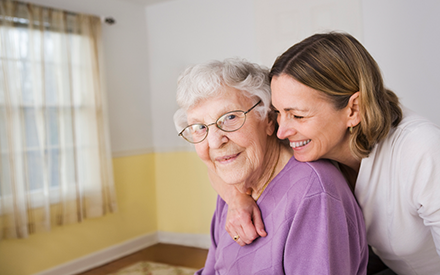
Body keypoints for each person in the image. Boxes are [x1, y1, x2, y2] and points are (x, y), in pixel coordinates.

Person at [220, 32, 440, 274]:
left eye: (298, 115)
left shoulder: (422, 150)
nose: (281, 131)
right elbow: (217, 156)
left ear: (354, 109)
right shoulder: (307, 140)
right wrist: (237, 197)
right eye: (279, 113)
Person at [173, 58, 368, 274]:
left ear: (268, 119)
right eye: (199, 127)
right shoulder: (235, 184)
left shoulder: (314, 193)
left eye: (229, 117)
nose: (214, 142)